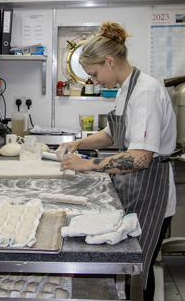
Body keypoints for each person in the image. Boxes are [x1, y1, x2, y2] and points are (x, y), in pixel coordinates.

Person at [56, 21, 177, 300]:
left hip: (151, 192)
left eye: (95, 74)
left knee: (139, 270)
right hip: (133, 188)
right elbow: (112, 134)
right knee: (129, 266)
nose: (95, 82)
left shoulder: (146, 91)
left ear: (109, 60)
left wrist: (88, 164)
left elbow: (141, 157)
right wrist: (78, 143)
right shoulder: (126, 89)